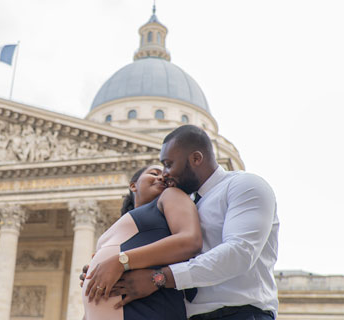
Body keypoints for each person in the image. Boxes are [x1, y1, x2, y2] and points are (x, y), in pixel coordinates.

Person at [89, 125, 279, 320]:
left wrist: (158, 278)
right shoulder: (187, 206)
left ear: (196, 159)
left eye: (169, 164)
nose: (165, 174)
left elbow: (239, 253)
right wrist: (102, 269)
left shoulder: (245, 186)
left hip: (240, 313)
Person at [81, 164, 202, 319]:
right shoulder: (117, 225)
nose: (161, 177)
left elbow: (189, 241)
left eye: (165, 175)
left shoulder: (170, 196)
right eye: (154, 173)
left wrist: (121, 261)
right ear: (133, 185)